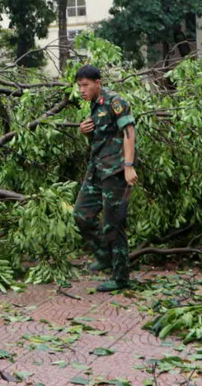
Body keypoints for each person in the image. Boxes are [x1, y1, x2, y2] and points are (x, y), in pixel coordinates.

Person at [73, 65, 138, 293]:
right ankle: (103, 253)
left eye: (86, 85)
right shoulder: (95, 105)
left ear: (98, 82)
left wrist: (128, 166)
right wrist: (86, 132)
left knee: (113, 224)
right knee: (81, 214)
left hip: (115, 171)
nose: (81, 90)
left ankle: (121, 277)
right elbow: (101, 138)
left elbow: (129, 132)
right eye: (79, 85)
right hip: (97, 169)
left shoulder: (115, 101)